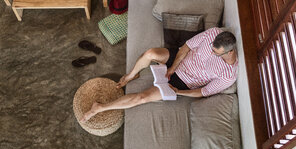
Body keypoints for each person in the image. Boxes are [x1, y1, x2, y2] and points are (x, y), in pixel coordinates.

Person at [80, 27, 238, 123]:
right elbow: (186, 47)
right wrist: (172, 67)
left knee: (142, 98)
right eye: (211, 47)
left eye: (215, 53)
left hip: (183, 82)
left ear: (229, 52)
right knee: (150, 54)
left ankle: (99, 108)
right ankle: (131, 76)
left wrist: (178, 92)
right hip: (179, 59)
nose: (211, 52)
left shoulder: (228, 75)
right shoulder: (213, 33)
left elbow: (203, 92)